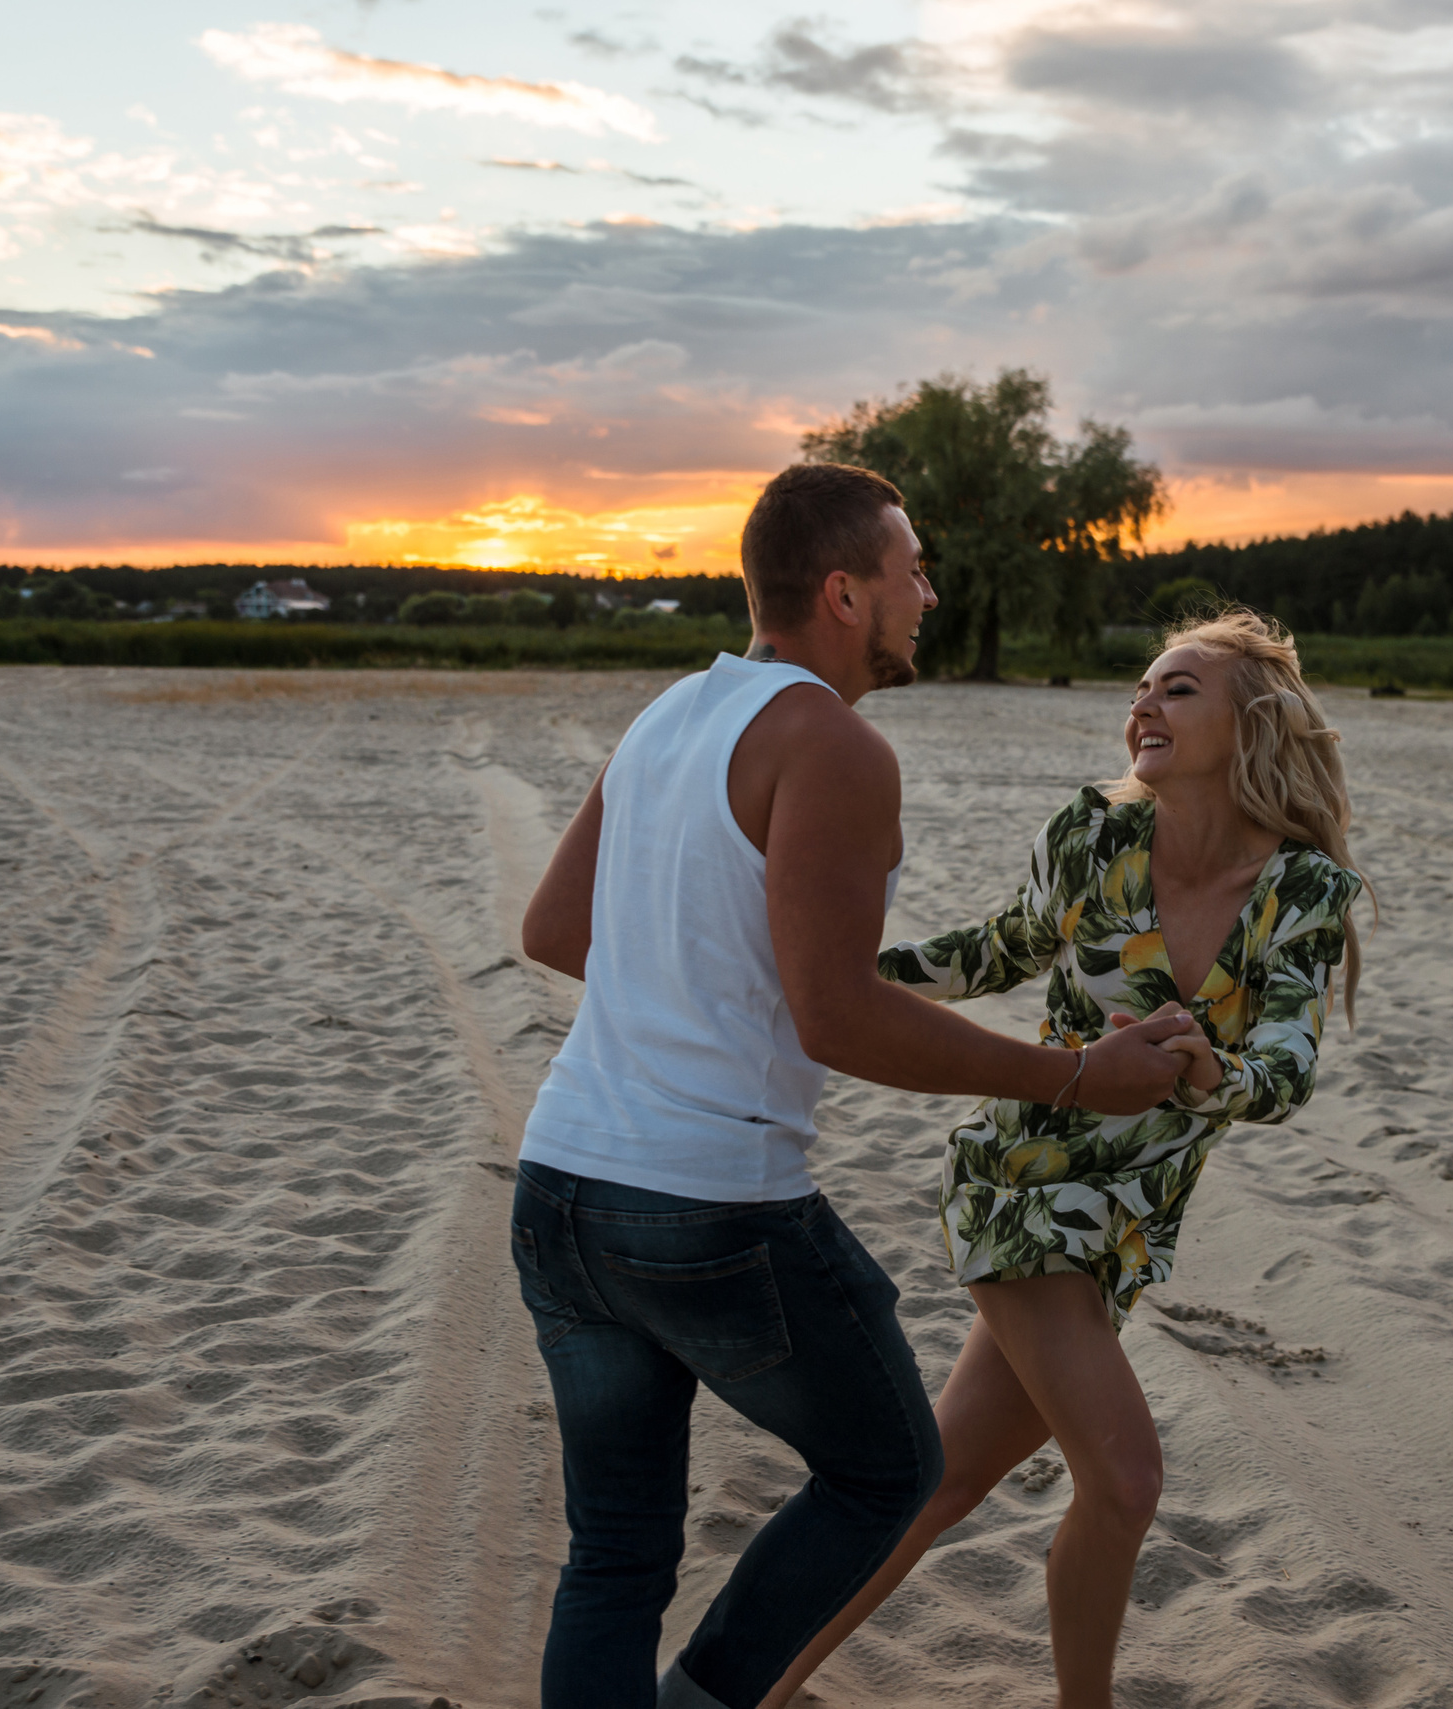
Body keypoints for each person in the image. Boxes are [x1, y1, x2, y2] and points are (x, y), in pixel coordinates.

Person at [507, 461, 1207, 1709]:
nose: (928, 594)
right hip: (709, 1202)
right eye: (911, 570)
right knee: (889, 1471)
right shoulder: (831, 741)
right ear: (842, 591)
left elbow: (558, 927)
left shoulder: (668, 713)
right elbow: (835, 1015)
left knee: (613, 1553)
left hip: (562, 1182)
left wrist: (701, 968)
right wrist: (1075, 1076)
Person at [762, 608, 1366, 1709]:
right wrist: (825, 967)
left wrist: (1207, 1076)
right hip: (1029, 1185)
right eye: (1141, 685)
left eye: (1178, 687)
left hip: (1131, 1217)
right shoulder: (1092, 833)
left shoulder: (1303, 890)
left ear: (1253, 721)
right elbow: (994, 949)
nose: (1143, 702)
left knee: (934, 1485)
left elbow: (1286, 1061)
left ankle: (743, 1682)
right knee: (1126, 1477)